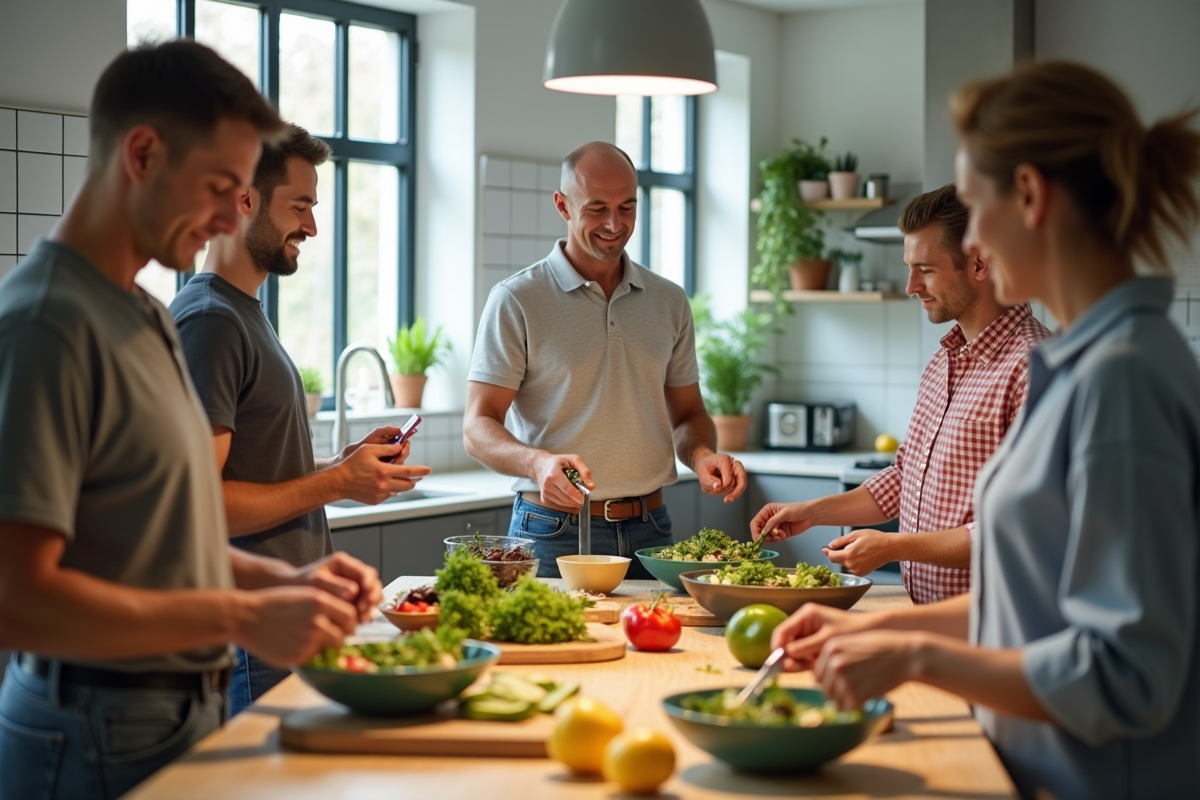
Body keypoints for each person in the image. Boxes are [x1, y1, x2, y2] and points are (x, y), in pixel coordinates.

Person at [771, 60, 1200, 799]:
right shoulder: (1094, 364)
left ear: (1029, 195)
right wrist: (874, 633)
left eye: (975, 203)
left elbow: (1125, 677)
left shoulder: (1119, 382)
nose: (973, 243)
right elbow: (1030, 603)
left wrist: (914, 657)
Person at [0, 41, 379, 800]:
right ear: (142, 153)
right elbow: (18, 597)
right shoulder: (49, 322)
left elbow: (154, 538)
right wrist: (243, 615)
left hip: (172, 709)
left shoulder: (141, 312)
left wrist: (280, 583)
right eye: (217, 186)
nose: (226, 214)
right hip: (91, 726)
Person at [169, 123, 431, 716]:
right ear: (244, 201)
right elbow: (201, 503)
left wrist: (341, 464)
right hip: (250, 627)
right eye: (301, 205)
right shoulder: (209, 322)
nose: (312, 227)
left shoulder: (242, 312)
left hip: (284, 611)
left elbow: (253, 465)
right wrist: (337, 483)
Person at [751, 185, 1049, 604]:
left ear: (979, 263)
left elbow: (1022, 528)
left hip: (994, 630)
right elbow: (907, 479)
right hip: (928, 620)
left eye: (925, 269)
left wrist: (894, 546)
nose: (911, 286)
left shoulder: (1036, 368)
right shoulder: (943, 360)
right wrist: (811, 512)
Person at [464, 141, 746, 579]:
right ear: (562, 205)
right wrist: (538, 464)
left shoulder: (668, 301)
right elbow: (477, 427)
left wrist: (704, 453)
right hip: (552, 529)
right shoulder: (516, 299)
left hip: (651, 530)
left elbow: (689, 414)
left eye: (627, 207)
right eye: (597, 209)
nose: (615, 224)